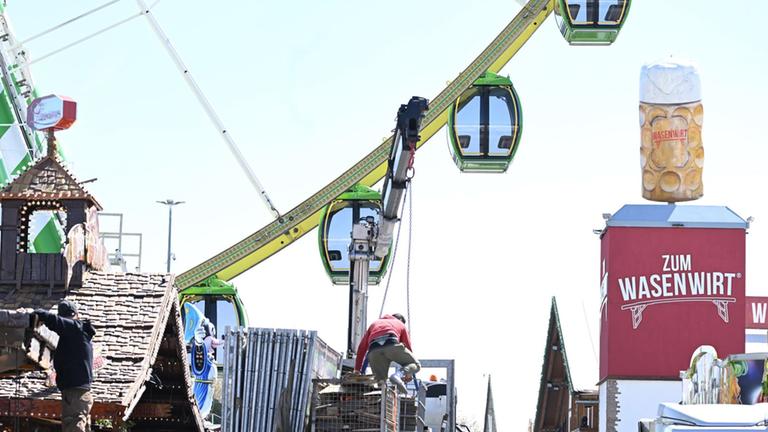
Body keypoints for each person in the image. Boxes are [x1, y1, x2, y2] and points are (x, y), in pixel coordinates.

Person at [34, 300, 96, 432]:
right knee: (79, 424)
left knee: (74, 425)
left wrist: (36, 312)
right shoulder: (77, 334)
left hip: (75, 392)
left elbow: (54, 321)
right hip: (78, 392)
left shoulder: (76, 328)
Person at [354, 313, 420, 387]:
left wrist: (357, 370)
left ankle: (382, 393)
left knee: (381, 384)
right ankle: (397, 375)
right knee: (416, 365)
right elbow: (407, 347)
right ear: (401, 320)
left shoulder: (374, 324)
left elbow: (362, 348)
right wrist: (408, 372)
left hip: (373, 350)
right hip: (391, 343)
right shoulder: (400, 324)